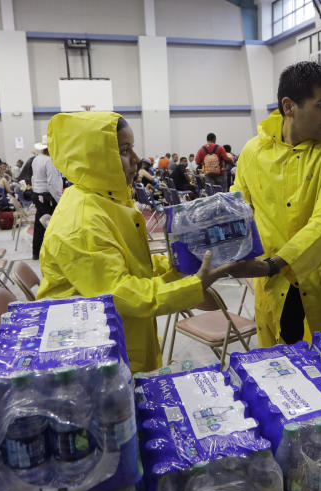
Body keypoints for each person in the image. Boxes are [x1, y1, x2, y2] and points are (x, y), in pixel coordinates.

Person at [37, 112, 240, 372]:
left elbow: (133, 263)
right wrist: (193, 286)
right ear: (95, 159)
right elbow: (121, 294)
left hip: (124, 339)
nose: (135, 159)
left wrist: (181, 263)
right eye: (124, 150)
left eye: (132, 148)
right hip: (93, 361)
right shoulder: (82, 222)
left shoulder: (106, 201)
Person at [229, 61, 321, 347]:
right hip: (275, 291)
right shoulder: (253, 152)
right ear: (289, 106)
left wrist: (273, 264)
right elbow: (237, 210)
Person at [30, 140, 65, 260]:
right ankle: (52, 253)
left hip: (38, 194)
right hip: (47, 196)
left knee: (39, 225)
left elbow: (34, 178)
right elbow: (52, 183)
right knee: (51, 225)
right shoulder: (49, 161)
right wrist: (60, 200)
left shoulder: (36, 159)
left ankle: (37, 251)